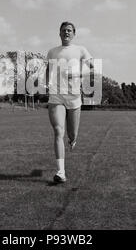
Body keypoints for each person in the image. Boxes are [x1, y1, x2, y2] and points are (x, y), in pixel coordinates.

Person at [46, 21, 93, 183]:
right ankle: (60, 172)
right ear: (59, 33)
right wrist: (48, 85)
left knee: (72, 134)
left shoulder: (81, 50)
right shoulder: (52, 52)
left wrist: (79, 73)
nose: (66, 32)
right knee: (58, 131)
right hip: (56, 96)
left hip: (74, 97)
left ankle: (72, 140)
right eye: (64, 30)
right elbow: (48, 69)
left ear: (74, 34)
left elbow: (92, 66)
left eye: (69, 30)